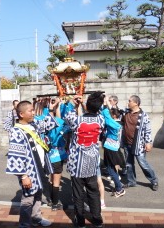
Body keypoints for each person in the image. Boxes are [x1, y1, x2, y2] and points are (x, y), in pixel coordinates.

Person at [63, 92, 120, 228]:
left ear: (87, 106)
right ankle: (97, 219)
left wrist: (73, 103)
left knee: (78, 193)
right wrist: (100, 103)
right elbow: (100, 111)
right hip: (92, 162)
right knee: (93, 191)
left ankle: (81, 221)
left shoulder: (77, 120)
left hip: (77, 162)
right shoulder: (100, 120)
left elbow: (66, 116)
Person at [6, 100, 58, 227]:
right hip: (29, 171)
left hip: (39, 167)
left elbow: (48, 124)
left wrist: (50, 109)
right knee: (28, 199)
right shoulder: (17, 131)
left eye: (33, 110)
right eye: (31, 110)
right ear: (21, 114)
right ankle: (24, 224)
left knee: (38, 193)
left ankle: (36, 217)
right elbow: (15, 156)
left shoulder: (33, 124)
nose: (34, 113)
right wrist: (23, 176)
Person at [122, 95, 158, 191]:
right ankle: (131, 182)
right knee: (129, 164)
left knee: (143, 164)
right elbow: (115, 113)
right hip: (127, 143)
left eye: (130, 101)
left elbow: (148, 130)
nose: (128, 102)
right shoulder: (125, 112)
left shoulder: (143, 115)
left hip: (139, 144)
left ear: (136, 103)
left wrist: (148, 142)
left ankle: (154, 180)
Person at [103, 108, 125, 198]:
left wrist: (105, 106)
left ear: (114, 116)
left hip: (111, 149)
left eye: (110, 114)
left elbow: (107, 118)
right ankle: (118, 186)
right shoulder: (119, 123)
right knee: (111, 168)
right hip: (114, 148)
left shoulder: (114, 124)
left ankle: (119, 189)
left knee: (110, 169)